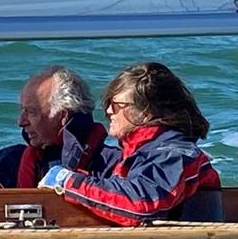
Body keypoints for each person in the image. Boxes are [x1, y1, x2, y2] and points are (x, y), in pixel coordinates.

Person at [38, 62, 221, 226]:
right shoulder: (142, 153)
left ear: (146, 112)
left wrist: (67, 181)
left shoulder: (175, 154)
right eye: (108, 103)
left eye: (117, 105)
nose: (109, 111)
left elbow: (141, 205)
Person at [0, 66, 117, 189]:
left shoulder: (111, 165)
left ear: (63, 115)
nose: (20, 122)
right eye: (22, 111)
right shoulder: (6, 165)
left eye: (31, 112)